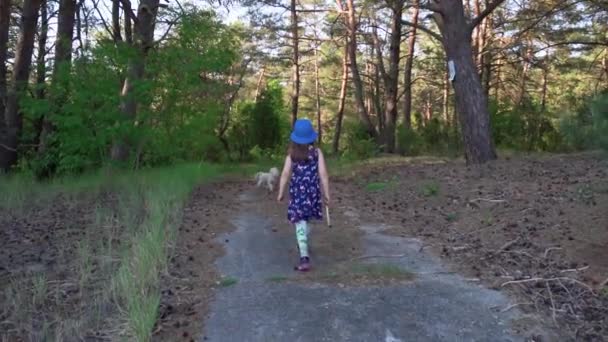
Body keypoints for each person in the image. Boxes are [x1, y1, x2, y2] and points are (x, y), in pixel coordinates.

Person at [277, 118, 330, 272]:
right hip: (313, 195)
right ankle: (303, 248)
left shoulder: (291, 155)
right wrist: (327, 194)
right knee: (306, 221)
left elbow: (285, 174)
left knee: (300, 223)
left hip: (297, 195)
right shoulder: (317, 153)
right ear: (311, 137)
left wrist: (281, 192)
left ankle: (304, 255)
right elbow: (323, 175)